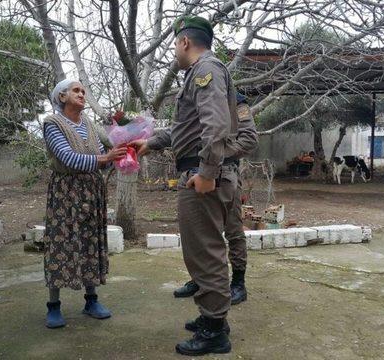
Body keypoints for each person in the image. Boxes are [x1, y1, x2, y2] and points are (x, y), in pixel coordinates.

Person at [131, 15, 238, 356]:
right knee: (201, 251)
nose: (173, 51)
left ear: (184, 42)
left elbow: (216, 124)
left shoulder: (206, 70)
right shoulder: (198, 74)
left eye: (174, 45)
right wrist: (153, 142)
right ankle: (214, 318)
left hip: (201, 174)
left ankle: (214, 330)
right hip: (197, 169)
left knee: (206, 253)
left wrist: (207, 172)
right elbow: (187, 128)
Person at [42, 79, 127, 329]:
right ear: (62, 97)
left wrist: (121, 156)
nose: (82, 94)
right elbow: (68, 158)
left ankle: (91, 301)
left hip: (91, 192)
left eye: (83, 90)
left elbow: (102, 156)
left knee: (90, 242)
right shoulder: (52, 124)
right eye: (76, 90)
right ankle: (53, 306)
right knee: (60, 244)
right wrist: (105, 157)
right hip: (66, 192)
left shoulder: (88, 124)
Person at [173, 93, 258, 306]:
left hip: (224, 174)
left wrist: (219, 154)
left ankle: (238, 283)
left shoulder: (236, 101)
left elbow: (248, 138)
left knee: (233, 230)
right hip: (194, 175)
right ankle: (200, 280)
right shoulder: (198, 100)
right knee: (199, 235)